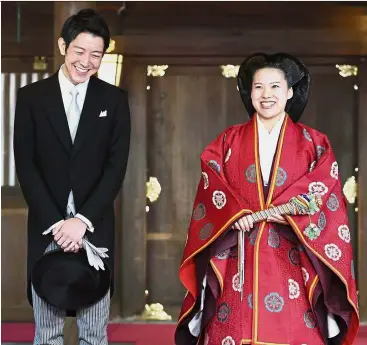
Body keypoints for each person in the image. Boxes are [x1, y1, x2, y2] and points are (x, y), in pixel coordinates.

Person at [175, 53, 359, 345]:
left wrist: (288, 210)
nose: (266, 94)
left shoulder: (314, 143)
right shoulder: (228, 142)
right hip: (239, 253)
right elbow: (212, 188)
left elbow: (325, 189)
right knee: (235, 328)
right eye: (258, 87)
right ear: (250, 94)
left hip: (294, 255)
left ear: (289, 92)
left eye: (275, 87)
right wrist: (237, 214)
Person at [13, 8, 130, 345]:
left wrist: (82, 220)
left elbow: (115, 168)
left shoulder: (114, 100)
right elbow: (26, 165)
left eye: (96, 54)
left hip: (94, 229)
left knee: (94, 331)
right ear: (63, 45)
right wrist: (57, 222)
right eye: (80, 51)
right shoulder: (32, 98)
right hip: (47, 227)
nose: (87, 61)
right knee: (47, 331)